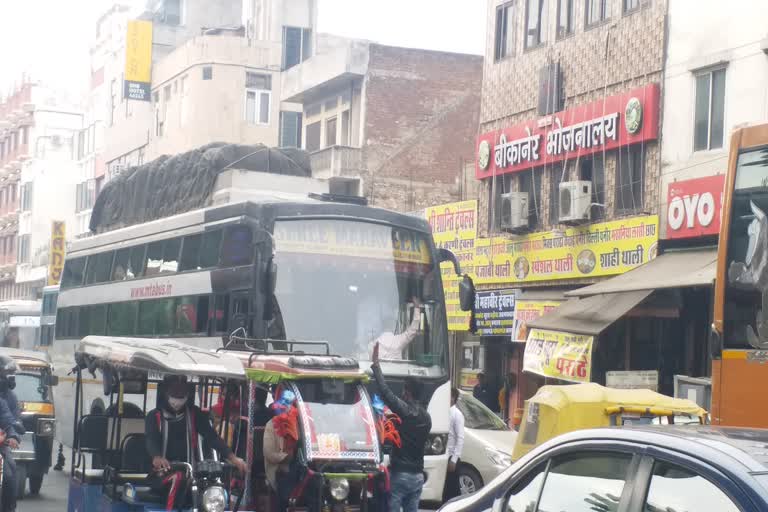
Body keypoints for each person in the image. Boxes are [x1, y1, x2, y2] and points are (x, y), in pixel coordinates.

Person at [145, 375, 247, 510]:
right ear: (166, 392)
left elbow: (212, 437)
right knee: (178, 478)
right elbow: (151, 439)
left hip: (192, 473)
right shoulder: (154, 416)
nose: (178, 397)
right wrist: (157, 457)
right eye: (175, 393)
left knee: (215, 486)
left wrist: (234, 458)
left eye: (182, 393)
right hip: (161, 474)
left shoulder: (194, 413)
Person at [371, 342, 431, 512]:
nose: (402, 394)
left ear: (407, 392)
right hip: (418, 476)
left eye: (404, 390)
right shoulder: (427, 418)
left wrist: (376, 364)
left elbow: (385, 392)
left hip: (400, 475)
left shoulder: (404, 411)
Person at [0, 356, 21, 512]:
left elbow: (8, 420)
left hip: (1, 447)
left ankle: (9, 508)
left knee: (9, 472)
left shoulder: (6, 400)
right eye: (8, 372)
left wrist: (13, 435)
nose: (11, 376)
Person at [444, 387, 465, 500]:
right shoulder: (443, 412)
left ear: (453, 398)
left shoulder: (457, 414)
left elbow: (460, 438)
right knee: (444, 492)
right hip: (443, 456)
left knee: (452, 493)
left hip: (451, 458)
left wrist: (454, 460)